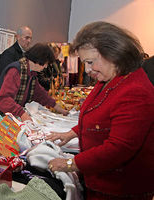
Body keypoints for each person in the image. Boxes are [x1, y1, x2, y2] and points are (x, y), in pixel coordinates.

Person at [46, 21, 154, 199]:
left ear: (113, 54)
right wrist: (72, 134)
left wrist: (70, 163)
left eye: (90, 62)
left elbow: (118, 148)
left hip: (120, 188)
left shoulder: (135, 91)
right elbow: (100, 117)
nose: (87, 70)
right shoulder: (110, 79)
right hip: (101, 180)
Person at [0, 43, 69, 122]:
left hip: (5, 115)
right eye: (46, 63)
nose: (46, 66)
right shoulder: (16, 70)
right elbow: (4, 99)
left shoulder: (31, 74)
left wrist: (57, 107)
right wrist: (21, 113)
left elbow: (40, 94)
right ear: (39, 60)